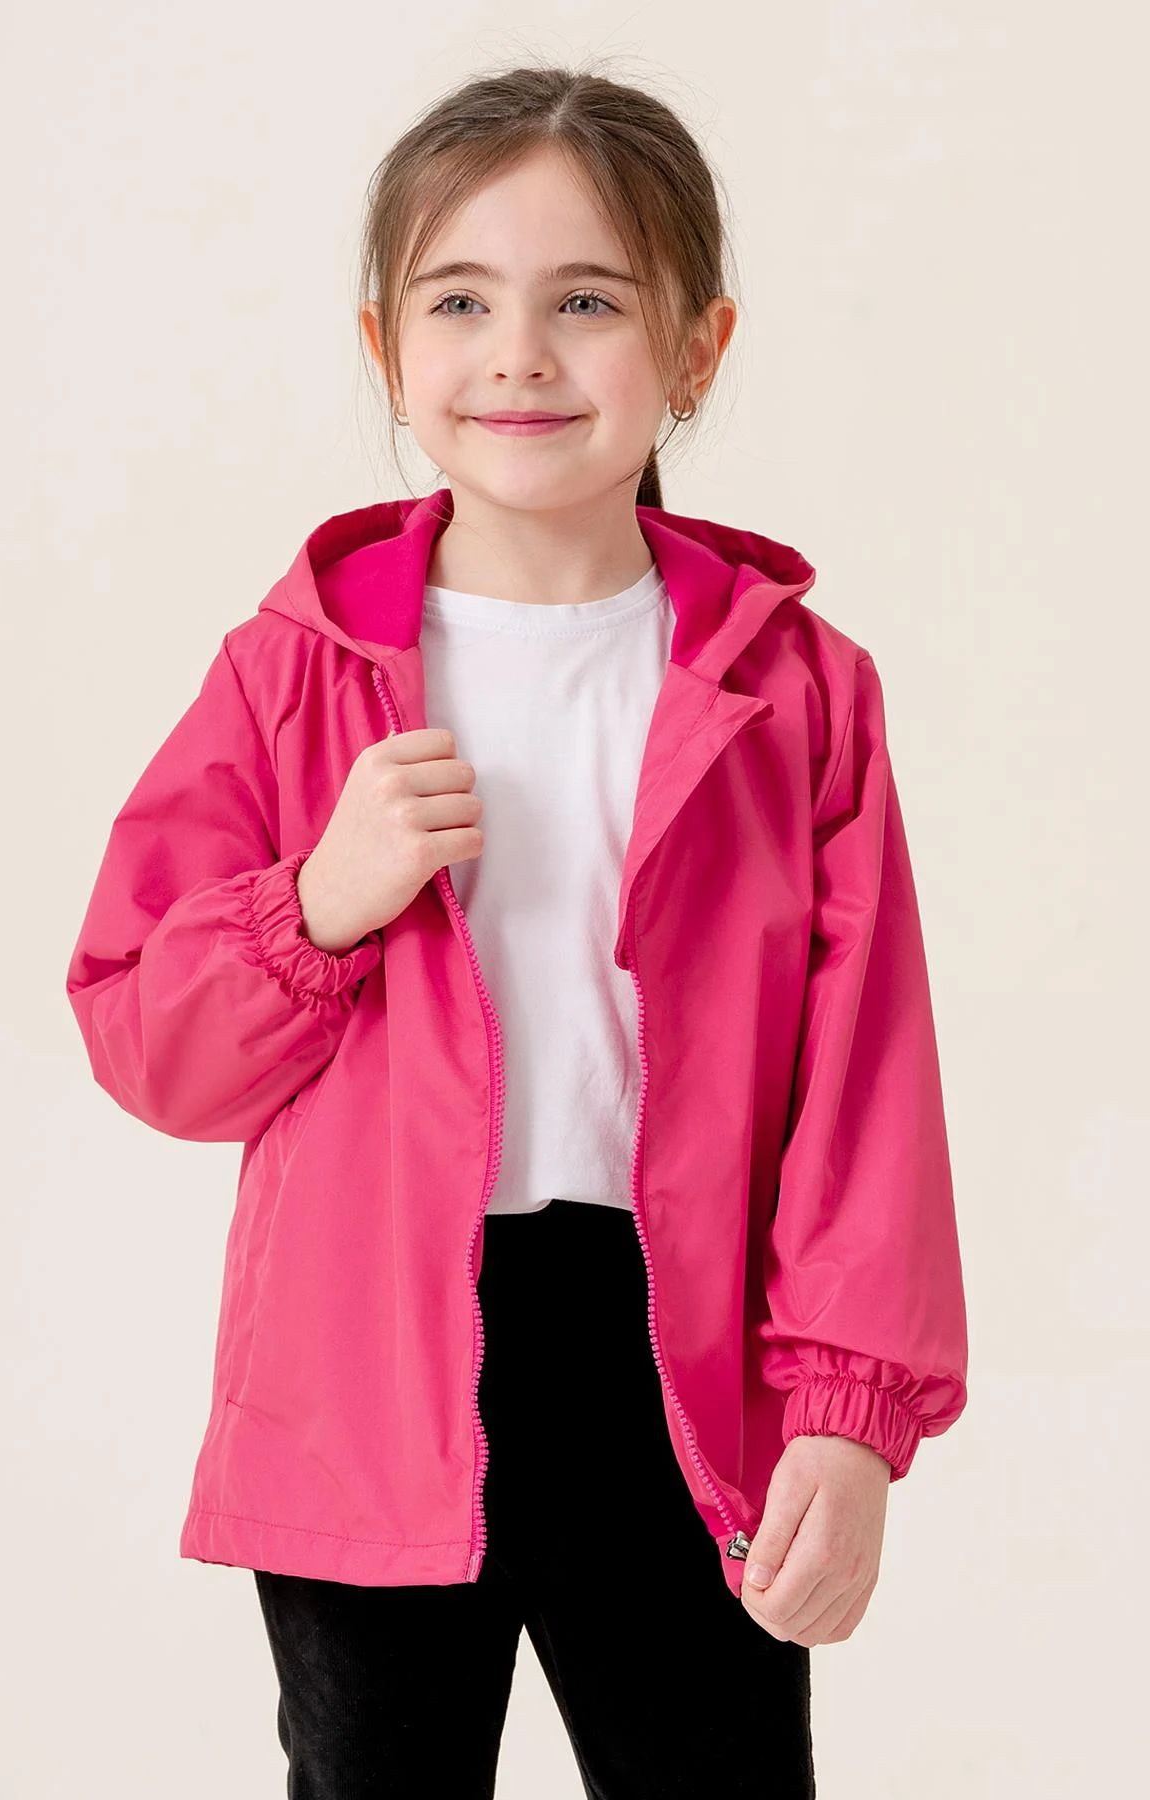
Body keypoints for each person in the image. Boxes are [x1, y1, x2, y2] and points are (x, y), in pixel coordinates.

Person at [65, 62, 969, 1799]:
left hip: (683, 1361)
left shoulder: (797, 693)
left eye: (589, 302)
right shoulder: (290, 671)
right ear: (385, 342)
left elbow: (869, 1087)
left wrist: (851, 1416)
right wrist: (313, 906)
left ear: (698, 348)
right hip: (366, 1362)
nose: (521, 356)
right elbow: (144, 1038)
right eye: (462, 301)